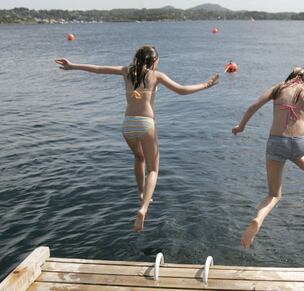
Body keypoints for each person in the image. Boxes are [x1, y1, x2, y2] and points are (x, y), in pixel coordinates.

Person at [55, 45, 219, 232]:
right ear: (154, 60)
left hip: (127, 124)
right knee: (154, 170)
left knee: (139, 158)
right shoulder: (156, 75)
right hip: (146, 123)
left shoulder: (126, 71)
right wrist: (206, 85)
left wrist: (73, 65)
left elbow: (98, 69)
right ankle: (144, 208)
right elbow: (181, 90)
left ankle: (141, 193)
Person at [232, 67, 304, 248]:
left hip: (276, 142)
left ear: (289, 76)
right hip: (300, 141)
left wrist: (241, 127)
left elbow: (252, 107)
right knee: (294, 153)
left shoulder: (278, 88)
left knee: (274, 194)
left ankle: (259, 219)